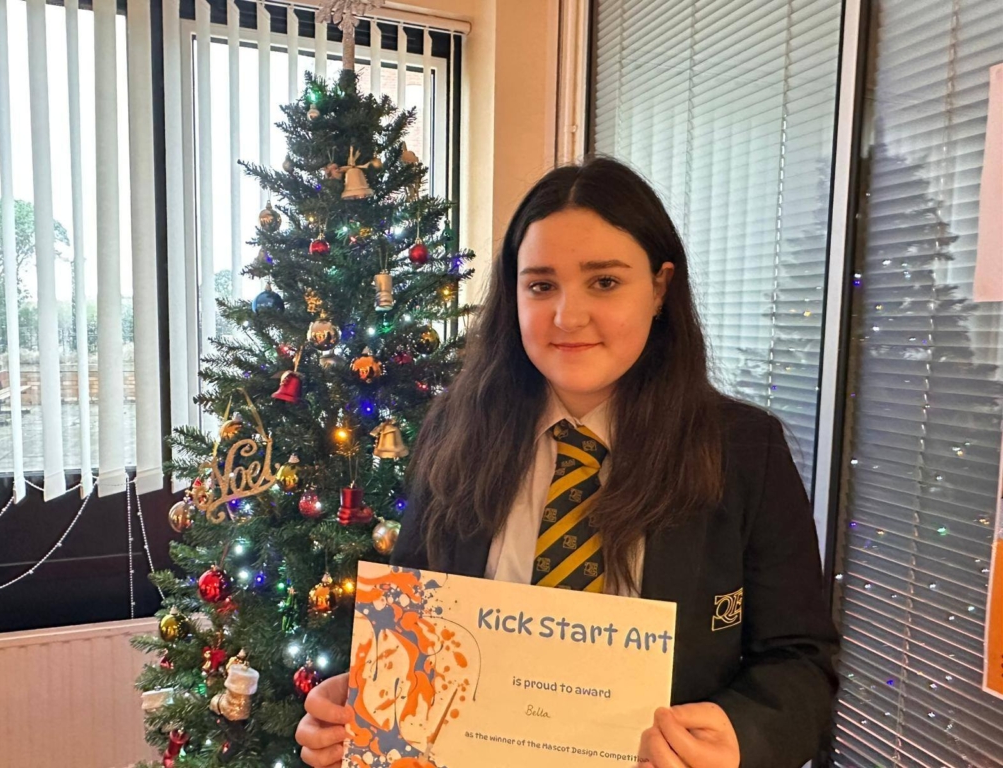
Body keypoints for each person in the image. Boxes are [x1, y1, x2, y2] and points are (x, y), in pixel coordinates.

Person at [296, 157, 839, 768]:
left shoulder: (744, 450)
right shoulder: (455, 431)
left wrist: (744, 734)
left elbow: (801, 664)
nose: (567, 317)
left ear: (659, 288)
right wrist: (364, 704)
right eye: (541, 285)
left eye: (604, 282)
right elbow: (417, 632)